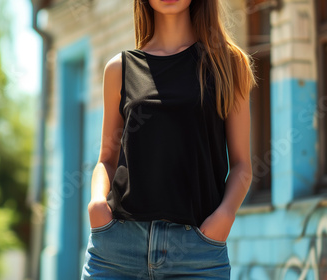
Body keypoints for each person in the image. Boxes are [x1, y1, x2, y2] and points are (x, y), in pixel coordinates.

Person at [81, 0, 256, 279]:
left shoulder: (228, 64)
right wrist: (97, 203)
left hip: (196, 253)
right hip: (117, 251)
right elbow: (106, 159)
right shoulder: (119, 68)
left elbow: (242, 165)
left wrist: (224, 218)